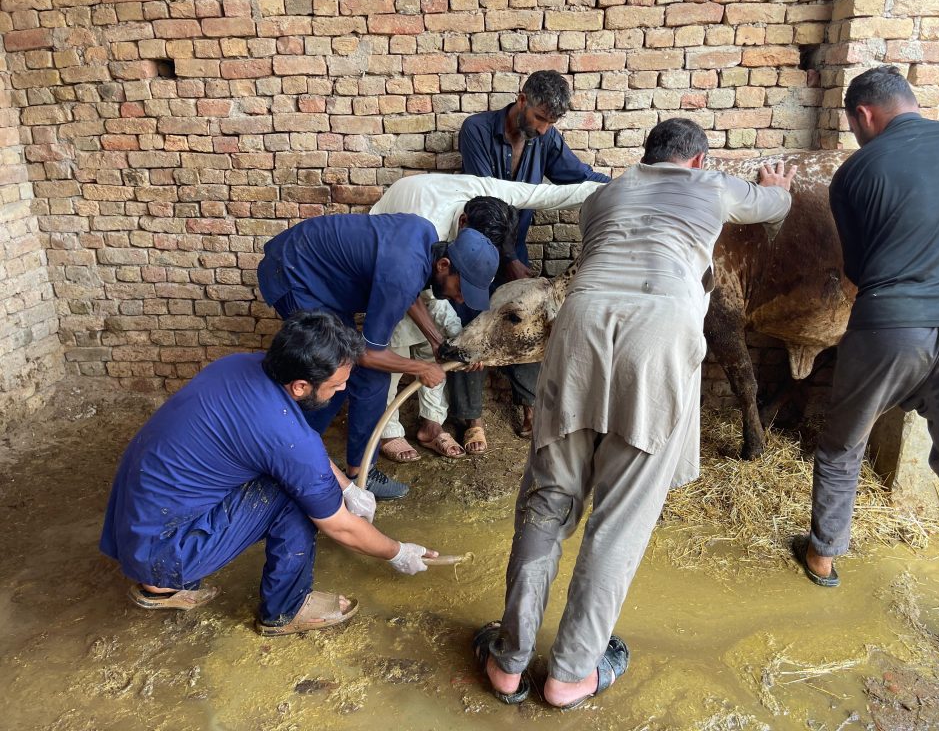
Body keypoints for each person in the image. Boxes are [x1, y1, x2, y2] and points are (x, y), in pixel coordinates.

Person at [474, 118, 795, 708]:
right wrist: (775, 183)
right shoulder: (714, 186)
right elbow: (776, 201)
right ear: (697, 161)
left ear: (645, 157)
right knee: (619, 519)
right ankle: (570, 673)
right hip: (658, 332)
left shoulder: (604, 195)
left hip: (582, 325)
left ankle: (508, 661)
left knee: (548, 502)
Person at [791, 66, 939, 678]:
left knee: (843, 444)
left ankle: (822, 557)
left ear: (863, 116)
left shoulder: (858, 171)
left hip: (888, 324)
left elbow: (860, 269)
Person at [100, 311, 440, 636]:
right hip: (165, 548)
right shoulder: (284, 436)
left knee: (297, 477)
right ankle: (287, 609)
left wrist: (348, 487)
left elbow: (294, 445)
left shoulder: (237, 365)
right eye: (336, 386)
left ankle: (158, 587)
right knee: (295, 496)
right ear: (300, 386)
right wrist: (398, 551)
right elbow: (339, 525)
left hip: (136, 523)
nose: (341, 391)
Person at [257, 213, 499, 500]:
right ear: (444, 265)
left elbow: (409, 296)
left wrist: (437, 342)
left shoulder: (425, 238)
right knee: (336, 370)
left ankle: (343, 465)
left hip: (319, 276)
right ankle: (290, 454)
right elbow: (369, 354)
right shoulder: (404, 272)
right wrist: (422, 368)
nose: (460, 299)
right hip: (295, 275)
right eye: (461, 289)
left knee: (359, 377)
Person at [369, 173, 605, 461]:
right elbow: (417, 297)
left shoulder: (490, 195)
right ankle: (388, 430)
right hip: (390, 248)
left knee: (436, 348)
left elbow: (544, 195)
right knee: (397, 341)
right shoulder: (428, 228)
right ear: (464, 225)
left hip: (431, 243)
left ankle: (431, 424)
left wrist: (611, 188)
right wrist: (445, 339)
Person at [457, 70, 612, 445]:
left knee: (528, 319)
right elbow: (487, 199)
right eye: (541, 118)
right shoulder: (476, 130)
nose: (544, 129)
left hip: (516, 249)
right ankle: (471, 417)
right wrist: (507, 257)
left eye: (551, 122)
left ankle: (529, 404)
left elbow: (581, 178)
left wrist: (623, 190)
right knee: (471, 319)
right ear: (522, 99)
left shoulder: (548, 140)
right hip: (477, 245)